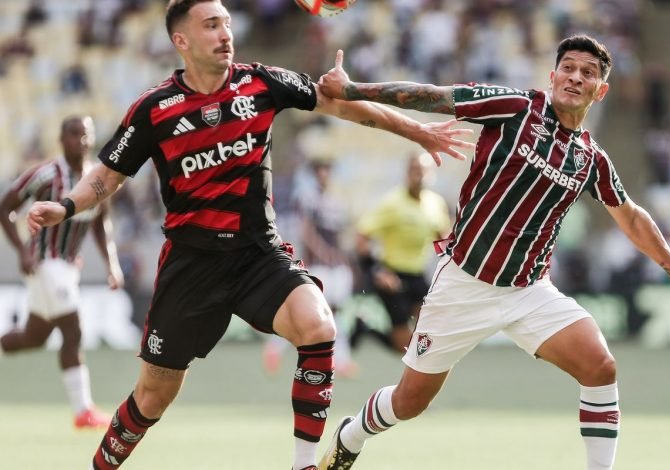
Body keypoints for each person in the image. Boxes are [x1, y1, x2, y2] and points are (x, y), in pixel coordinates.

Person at [25, 1, 471, 469]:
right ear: (181, 41)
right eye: (211, 25)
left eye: (227, 23)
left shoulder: (262, 82)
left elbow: (337, 103)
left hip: (258, 254)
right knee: (152, 397)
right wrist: (66, 206)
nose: (225, 34)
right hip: (192, 265)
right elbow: (108, 175)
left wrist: (417, 132)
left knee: (319, 326)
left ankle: (303, 464)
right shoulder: (154, 110)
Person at [316, 35, 670, 470]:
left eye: (588, 73)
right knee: (409, 401)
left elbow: (632, 217)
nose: (575, 77)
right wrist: (352, 89)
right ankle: (351, 434)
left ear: (600, 91)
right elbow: (433, 96)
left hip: (528, 291)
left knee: (600, 366)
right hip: (464, 283)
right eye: (569, 68)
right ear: (553, 75)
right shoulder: (515, 107)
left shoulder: (591, 159)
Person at [0, 115, 124, 429]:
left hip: (68, 267)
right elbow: (5, 207)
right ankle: (83, 411)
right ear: (61, 139)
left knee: (34, 337)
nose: (80, 141)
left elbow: (101, 222)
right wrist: (22, 249)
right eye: (73, 134)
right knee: (73, 329)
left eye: (85, 135)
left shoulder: (98, 177)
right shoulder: (45, 174)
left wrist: (111, 263)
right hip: (44, 262)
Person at [263, 156, 358, 378]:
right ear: (315, 173)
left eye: (327, 169)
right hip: (317, 266)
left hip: (334, 266)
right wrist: (323, 252)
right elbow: (306, 231)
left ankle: (341, 360)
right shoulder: (307, 198)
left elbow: (340, 234)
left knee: (335, 311)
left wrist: (344, 258)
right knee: (312, 313)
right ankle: (275, 346)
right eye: (320, 170)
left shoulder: (336, 200)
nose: (324, 174)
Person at [351, 152, 450, 354]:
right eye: (414, 170)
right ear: (407, 173)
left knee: (433, 331)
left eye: (423, 170)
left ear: (431, 174)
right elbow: (361, 237)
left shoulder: (435, 203)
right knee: (404, 347)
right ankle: (366, 327)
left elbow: (444, 240)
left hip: (418, 275)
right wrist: (377, 271)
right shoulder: (392, 202)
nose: (419, 175)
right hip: (393, 277)